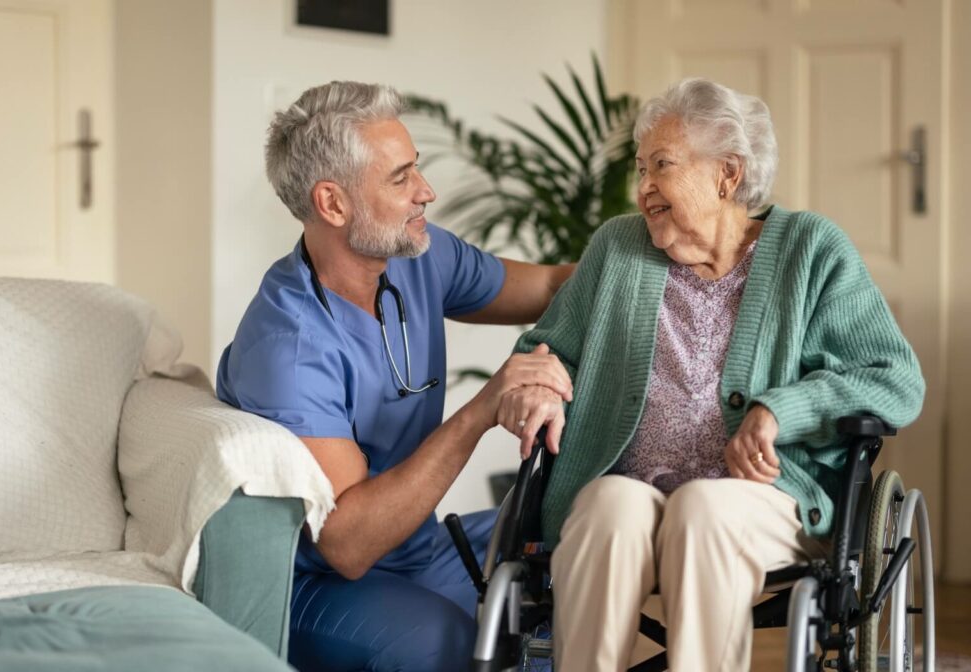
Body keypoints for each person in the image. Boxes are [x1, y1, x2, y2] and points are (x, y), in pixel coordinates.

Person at [498, 77, 925, 671]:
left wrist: (781, 409)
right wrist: (540, 384)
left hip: (763, 500)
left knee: (704, 508)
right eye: (641, 169)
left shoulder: (812, 249)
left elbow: (894, 378)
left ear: (728, 173)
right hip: (633, 485)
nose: (644, 187)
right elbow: (549, 349)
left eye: (662, 166)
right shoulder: (617, 247)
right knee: (604, 506)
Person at [215, 81, 575, 672]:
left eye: (418, 171)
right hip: (313, 583)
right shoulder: (289, 348)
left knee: (574, 550)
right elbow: (348, 545)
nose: (426, 193)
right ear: (333, 204)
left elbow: (549, 287)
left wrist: (661, 251)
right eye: (401, 178)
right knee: (446, 644)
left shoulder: (419, 257)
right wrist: (485, 406)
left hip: (416, 548)